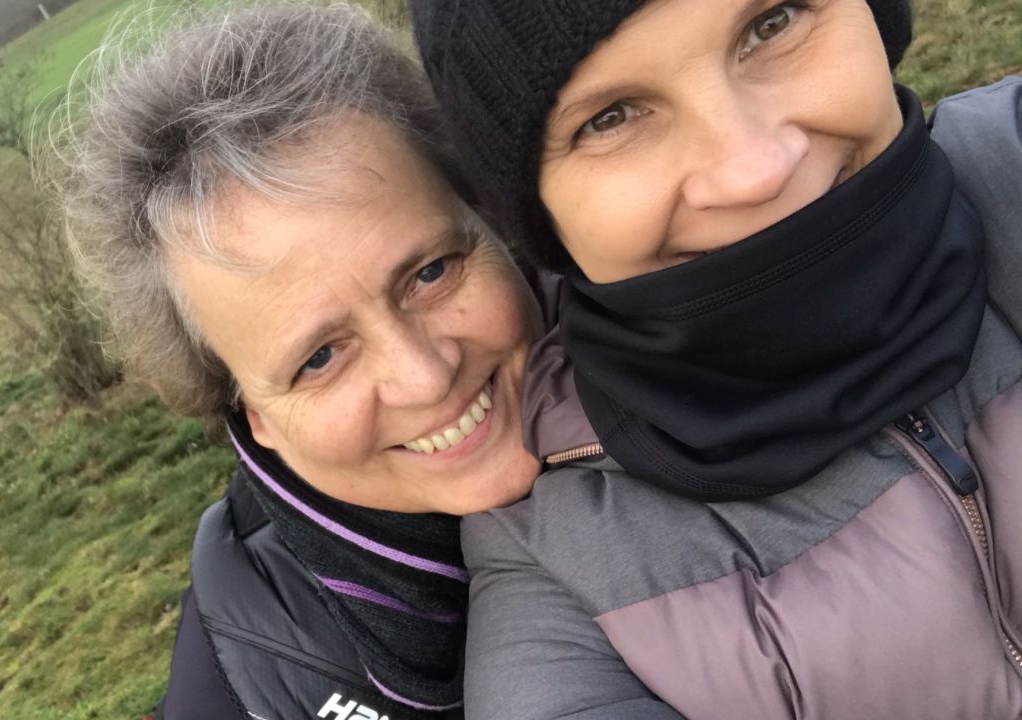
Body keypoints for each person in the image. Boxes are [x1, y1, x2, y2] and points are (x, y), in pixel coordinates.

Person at [411, 0, 1022, 718]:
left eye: (773, 23)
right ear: (540, 217)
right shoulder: (554, 573)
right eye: (609, 118)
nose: (754, 170)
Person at [54, 4, 597, 718]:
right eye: (318, 358)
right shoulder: (250, 678)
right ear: (254, 417)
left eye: (431, 273)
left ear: (490, 218)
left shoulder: (698, 346)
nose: (424, 376)